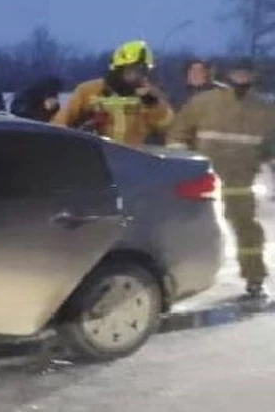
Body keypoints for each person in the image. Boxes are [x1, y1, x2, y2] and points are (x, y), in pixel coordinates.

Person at [167, 58, 275, 301]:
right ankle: (178, 282)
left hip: (241, 182)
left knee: (248, 231)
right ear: (225, 75)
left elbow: (271, 149)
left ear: (254, 76)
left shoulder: (266, 110)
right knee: (186, 230)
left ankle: (254, 278)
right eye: (237, 73)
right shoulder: (203, 103)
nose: (242, 79)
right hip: (200, 181)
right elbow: (178, 134)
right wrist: (180, 167)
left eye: (246, 74)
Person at [52, 40, 173, 146]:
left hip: (132, 162)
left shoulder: (149, 97)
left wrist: (151, 102)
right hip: (94, 159)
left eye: (143, 70)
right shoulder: (89, 91)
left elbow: (169, 126)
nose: (139, 76)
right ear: (120, 68)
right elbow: (59, 123)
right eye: (133, 69)